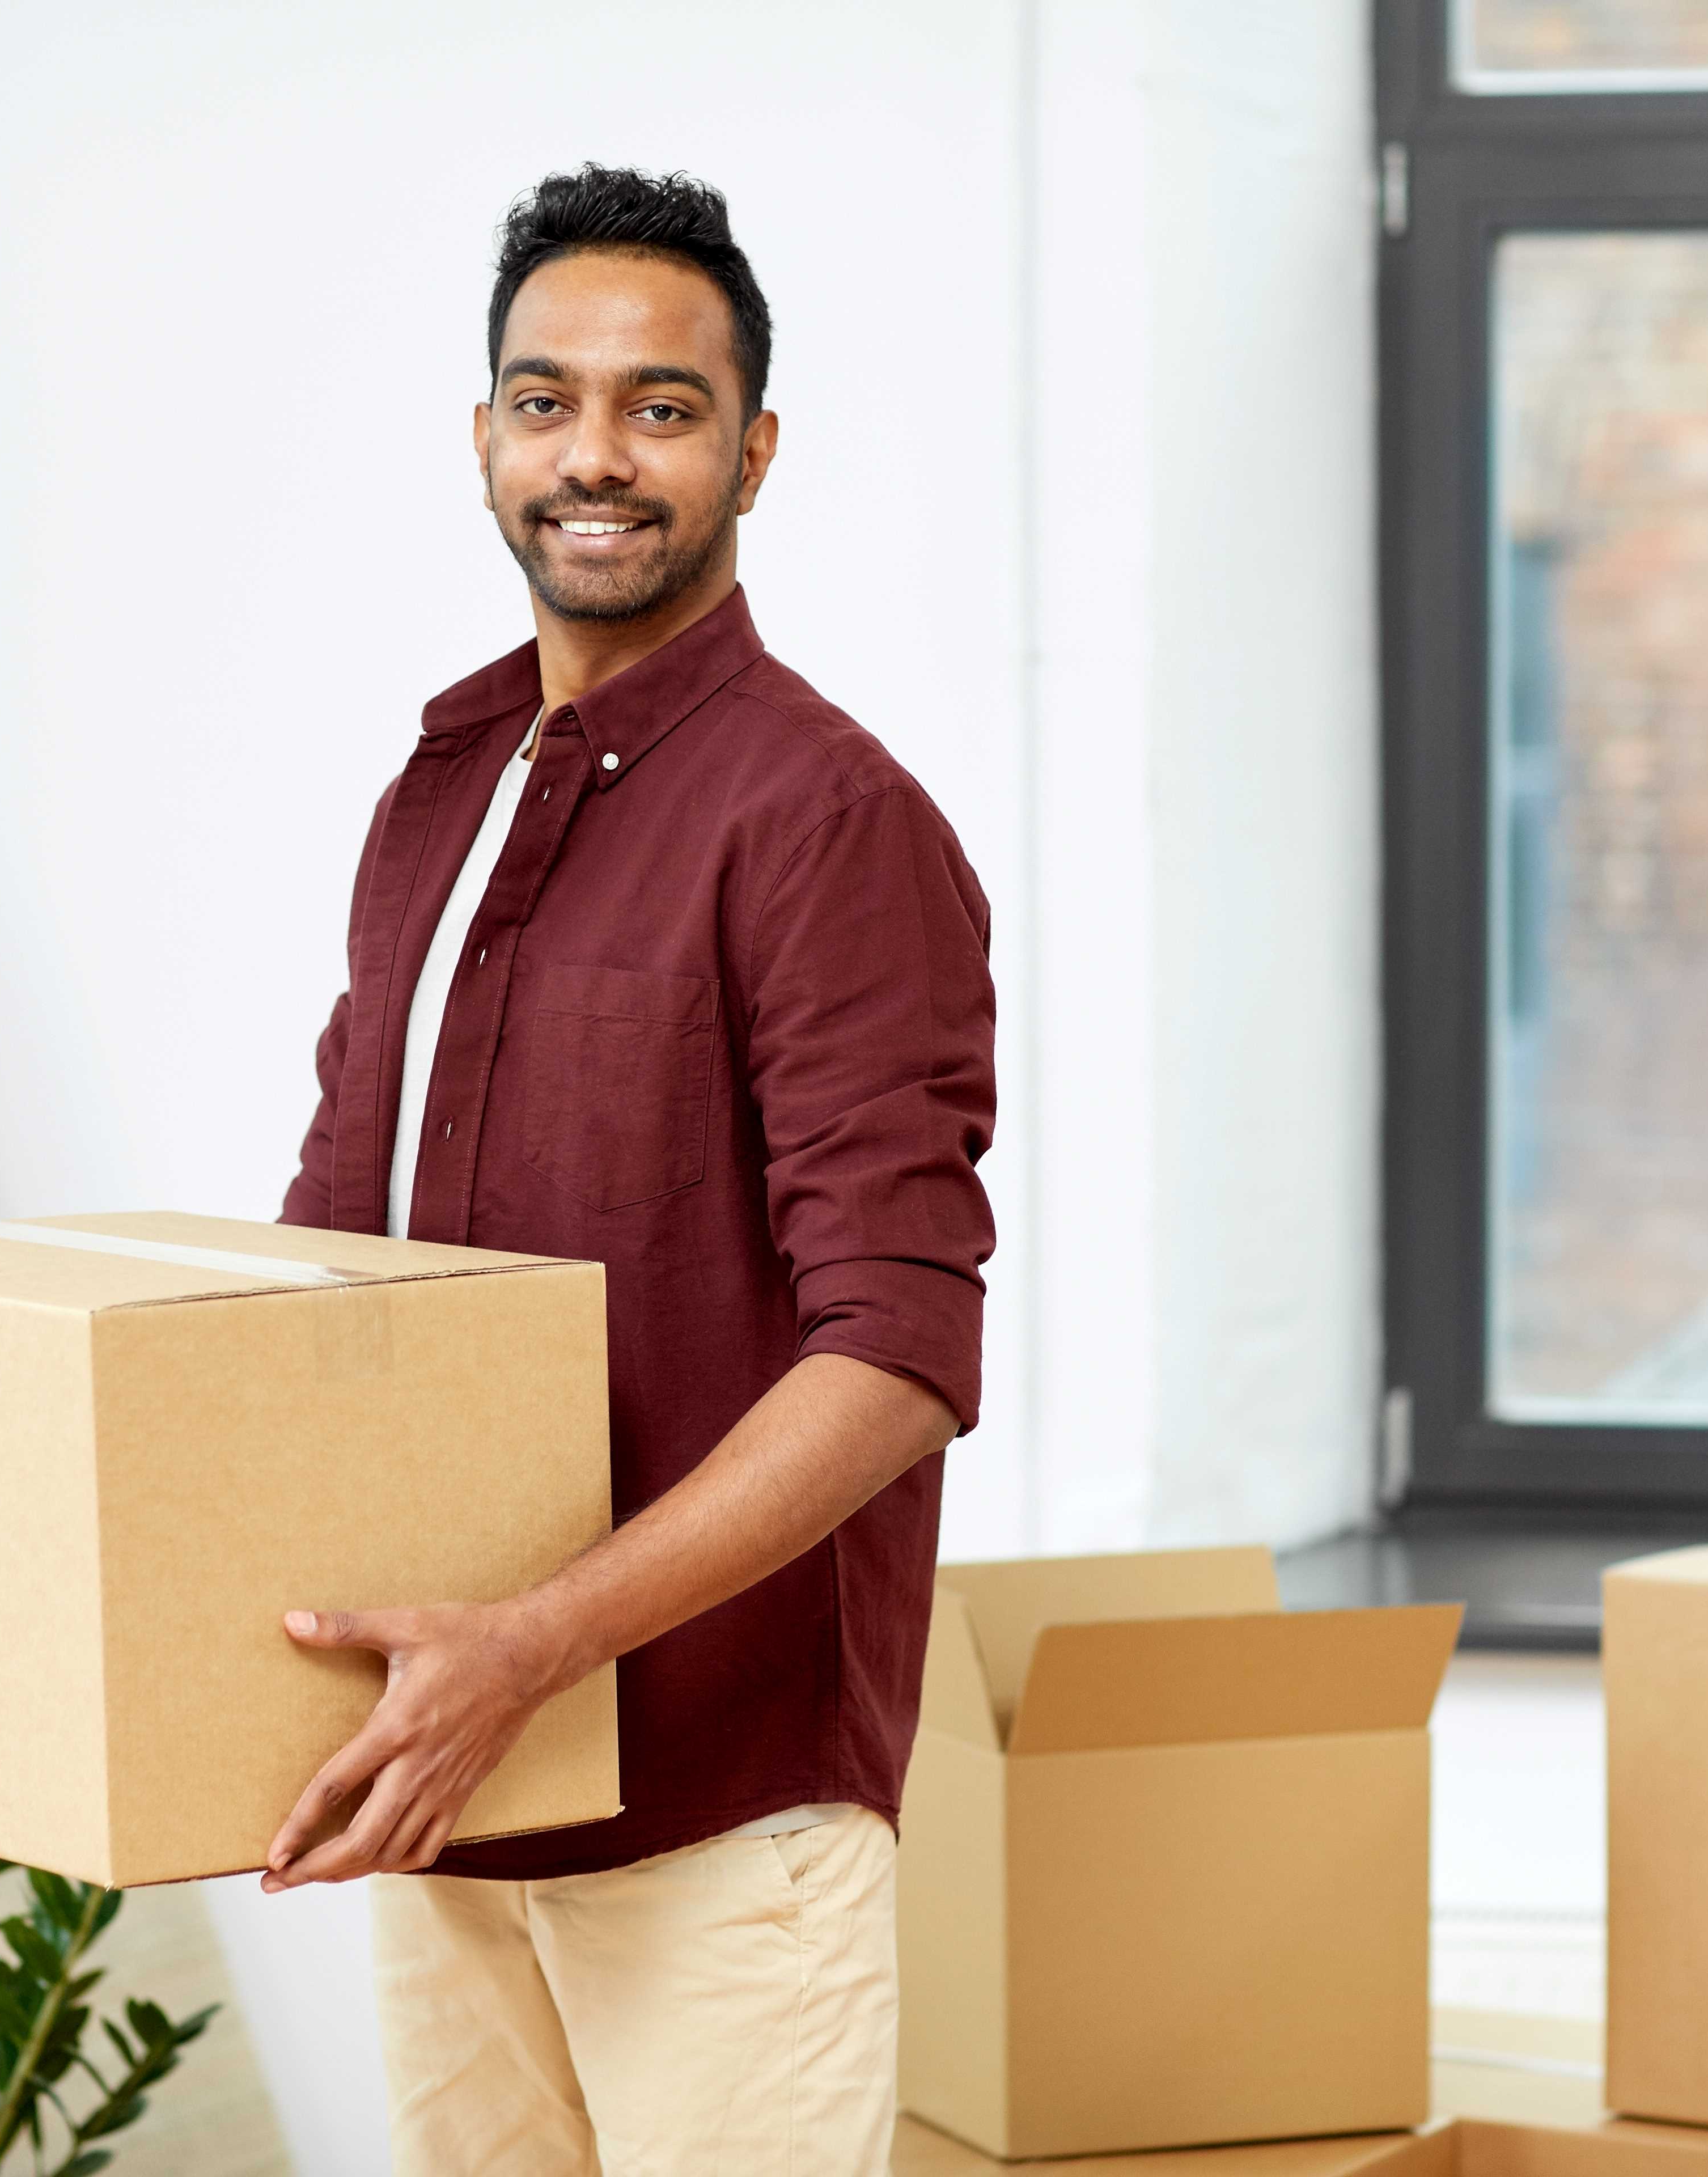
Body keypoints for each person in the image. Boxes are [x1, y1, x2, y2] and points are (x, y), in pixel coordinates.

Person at [268, 163, 998, 2175]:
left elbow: (900, 1353)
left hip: (716, 1801)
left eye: (660, 407)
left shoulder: (829, 819)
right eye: (545, 398)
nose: (595, 454)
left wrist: (539, 1640)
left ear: (754, 449)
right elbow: (338, 1257)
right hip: (454, 1774)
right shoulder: (439, 795)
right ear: (487, 436)